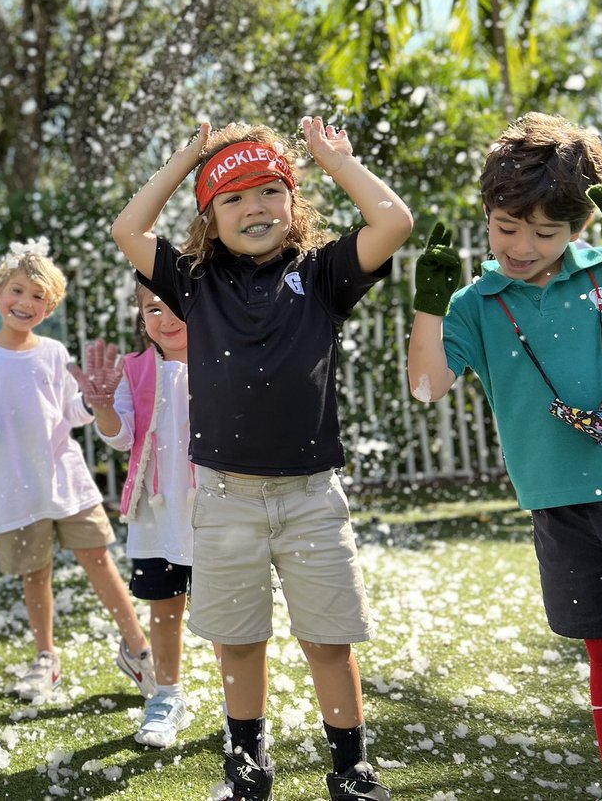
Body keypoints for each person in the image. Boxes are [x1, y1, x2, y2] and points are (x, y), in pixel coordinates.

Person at [112, 117, 413, 801]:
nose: (255, 207)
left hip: (311, 497)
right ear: (209, 218)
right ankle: (246, 766)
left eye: (270, 192)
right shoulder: (194, 281)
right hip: (224, 497)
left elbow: (393, 221)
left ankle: (350, 769)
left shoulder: (324, 271)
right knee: (238, 642)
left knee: (328, 641)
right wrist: (188, 155)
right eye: (233, 197)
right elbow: (128, 229)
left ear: (292, 202)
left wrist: (336, 161)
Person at [407, 112, 602, 801]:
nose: (523, 246)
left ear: (580, 227)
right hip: (557, 504)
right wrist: (429, 308)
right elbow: (424, 386)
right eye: (506, 228)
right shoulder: (476, 303)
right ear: (488, 213)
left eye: (546, 232)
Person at [0, 240, 154, 703]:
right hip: (15, 488)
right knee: (36, 574)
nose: (25, 303)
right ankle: (46, 657)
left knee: (99, 560)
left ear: (48, 308)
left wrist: (93, 401)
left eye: (37, 297)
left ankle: (139, 648)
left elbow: (70, 411)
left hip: (66, 479)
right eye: (17, 291)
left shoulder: (51, 352)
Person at [85, 284, 195, 747]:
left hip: (219, 510)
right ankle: (167, 694)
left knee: (233, 613)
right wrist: (104, 407)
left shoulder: (227, 358)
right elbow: (121, 437)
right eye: (153, 309)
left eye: (177, 308)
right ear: (140, 315)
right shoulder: (135, 369)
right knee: (164, 604)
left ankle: (243, 710)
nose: (165, 319)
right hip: (157, 513)